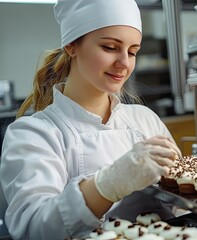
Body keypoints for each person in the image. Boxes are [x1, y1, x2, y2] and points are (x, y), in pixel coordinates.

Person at [0, 0, 182, 239]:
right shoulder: (33, 134)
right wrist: (108, 184)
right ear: (71, 45)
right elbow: (34, 228)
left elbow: (181, 193)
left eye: (132, 51)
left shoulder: (145, 120)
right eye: (109, 47)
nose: (124, 63)